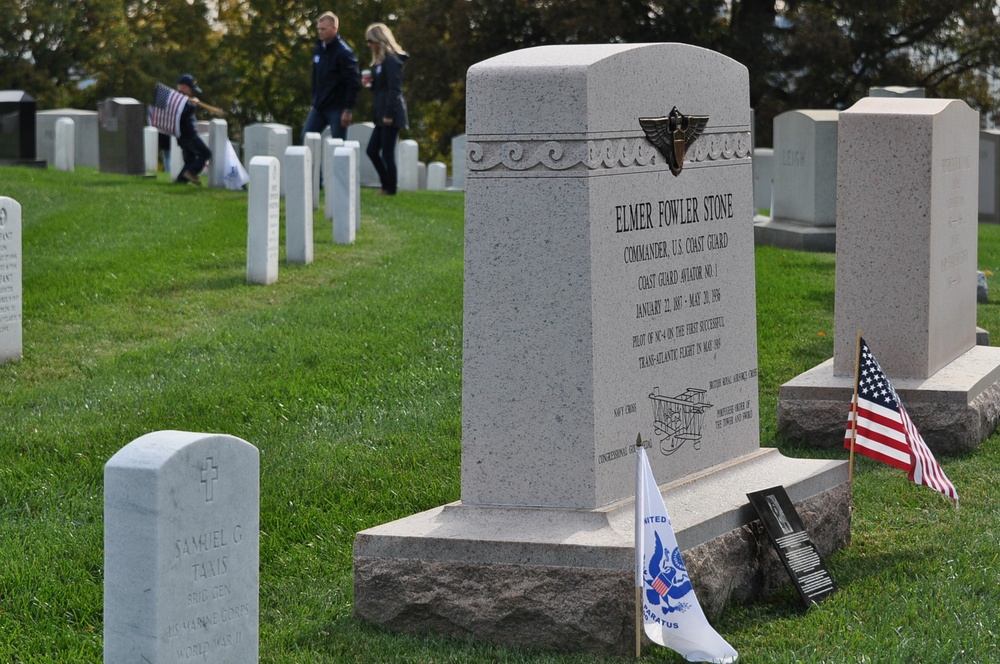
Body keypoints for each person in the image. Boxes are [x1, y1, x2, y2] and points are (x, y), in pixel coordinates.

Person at [363, 23, 409, 196]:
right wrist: (370, 84)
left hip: (391, 113)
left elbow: (394, 90)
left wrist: (389, 114)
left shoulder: (392, 61)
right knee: (372, 150)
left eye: (370, 41)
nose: (369, 45)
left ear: (379, 40)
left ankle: (390, 189)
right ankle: (386, 185)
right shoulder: (379, 63)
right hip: (381, 113)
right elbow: (380, 88)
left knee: (387, 153)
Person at [303, 12, 360, 142]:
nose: (320, 32)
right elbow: (316, 77)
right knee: (306, 138)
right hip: (319, 106)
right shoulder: (318, 48)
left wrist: (348, 109)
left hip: (337, 108)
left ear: (334, 28)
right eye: (318, 29)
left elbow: (353, 82)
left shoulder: (344, 53)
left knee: (338, 145)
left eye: (323, 29)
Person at [175, 73, 212, 185]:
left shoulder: (182, 99)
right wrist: (192, 106)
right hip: (189, 135)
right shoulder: (180, 100)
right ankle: (191, 173)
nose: (192, 92)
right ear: (184, 87)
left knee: (190, 159)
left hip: (183, 136)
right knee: (205, 153)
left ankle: (180, 182)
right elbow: (182, 117)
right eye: (191, 89)